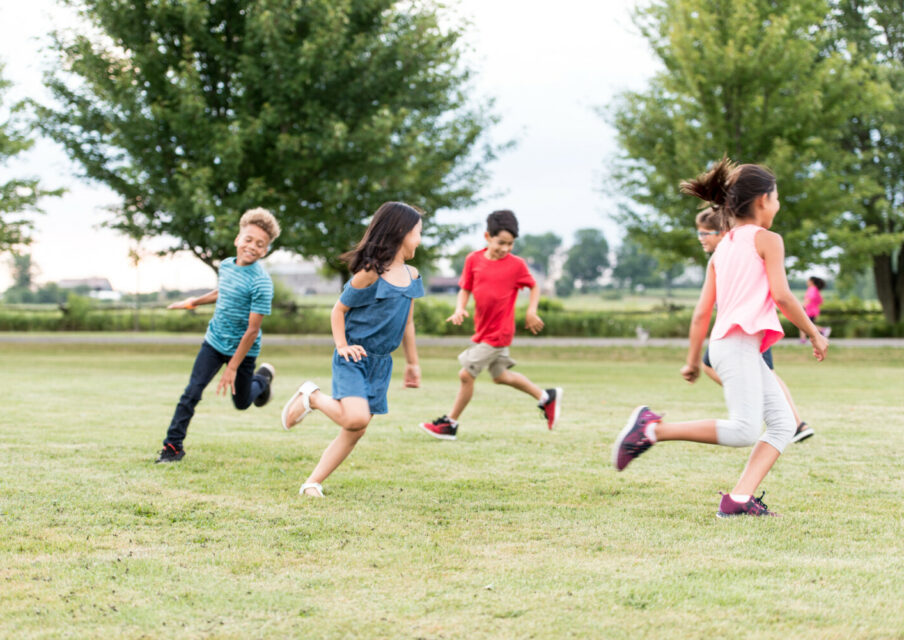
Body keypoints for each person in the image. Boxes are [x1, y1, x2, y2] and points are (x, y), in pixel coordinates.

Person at [613, 158, 828, 517]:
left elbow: (701, 313)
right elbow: (783, 296)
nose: (777, 204)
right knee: (745, 430)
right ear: (762, 199)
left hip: (730, 346)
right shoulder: (768, 240)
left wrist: (693, 359)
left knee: (783, 423)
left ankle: (739, 499)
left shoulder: (724, 247)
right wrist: (813, 334)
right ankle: (653, 429)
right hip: (739, 345)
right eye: (777, 198)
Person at [281, 202, 424, 497]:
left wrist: (412, 363)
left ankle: (312, 482)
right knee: (356, 418)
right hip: (355, 357)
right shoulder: (370, 273)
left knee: (355, 430)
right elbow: (339, 310)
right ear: (400, 232)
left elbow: (407, 323)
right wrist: (342, 345)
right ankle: (313, 396)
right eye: (417, 233)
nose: (420, 240)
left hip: (382, 363)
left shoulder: (413, 275)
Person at [419, 210, 561, 440]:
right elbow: (465, 287)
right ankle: (546, 397)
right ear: (487, 236)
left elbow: (534, 286)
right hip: (483, 330)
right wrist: (459, 308)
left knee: (466, 375)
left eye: (510, 244)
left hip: (499, 332)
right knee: (500, 376)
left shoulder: (516, 265)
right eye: (500, 242)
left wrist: (531, 311)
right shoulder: (473, 260)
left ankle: (450, 423)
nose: (505, 248)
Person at [156, 207, 281, 463]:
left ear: (265, 250)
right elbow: (221, 291)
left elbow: (252, 329)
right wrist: (193, 301)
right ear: (238, 239)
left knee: (242, 402)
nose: (252, 247)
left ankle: (263, 381)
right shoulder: (226, 265)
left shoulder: (261, 283)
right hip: (214, 342)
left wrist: (233, 366)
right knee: (191, 392)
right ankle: (172, 448)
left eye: (260, 244)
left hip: (243, 351)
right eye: (248, 239)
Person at [695, 208, 814, 444]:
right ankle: (779, 414)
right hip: (735, 333)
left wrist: (813, 333)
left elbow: (781, 295)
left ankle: (794, 421)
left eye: (705, 233)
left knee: (755, 404)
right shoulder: (722, 257)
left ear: (723, 232)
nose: (701, 238)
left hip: (747, 330)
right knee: (721, 369)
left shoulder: (739, 249)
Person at [800, 276, 830, 342]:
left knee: (806, 325)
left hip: (809, 311)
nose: (807, 282)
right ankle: (803, 339)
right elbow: (821, 301)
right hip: (814, 311)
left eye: (808, 281)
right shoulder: (816, 289)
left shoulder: (812, 289)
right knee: (804, 324)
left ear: (811, 282)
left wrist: (802, 306)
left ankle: (823, 330)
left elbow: (809, 299)